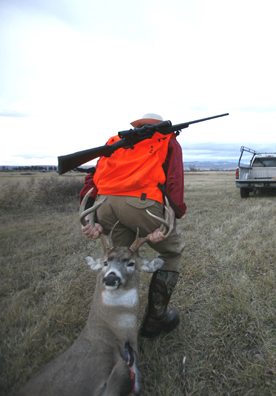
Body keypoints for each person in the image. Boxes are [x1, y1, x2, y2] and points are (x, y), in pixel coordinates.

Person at [79, 113, 186, 338]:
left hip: (105, 204)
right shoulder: (166, 140)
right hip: (142, 203)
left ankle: (109, 323)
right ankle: (156, 320)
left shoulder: (115, 143)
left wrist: (91, 218)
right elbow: (173, 181)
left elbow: (92, 178)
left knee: (118, 259)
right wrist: (171, 216)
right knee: (172, 253)